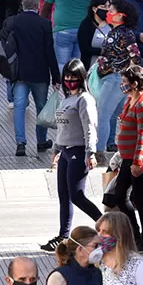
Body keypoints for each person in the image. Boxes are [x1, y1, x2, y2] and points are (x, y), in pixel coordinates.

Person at [43, 59, 101, 250]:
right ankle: (63, 236)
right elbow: (61, 129)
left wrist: (90, 153)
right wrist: (56, 150)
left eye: (74, 76)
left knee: (77, 196)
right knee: (63, 196)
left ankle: (104, 225)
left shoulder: (84, 99)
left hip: (78, 151)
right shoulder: (66, 99)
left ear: (82, 77)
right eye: (67, 76)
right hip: (65, 151)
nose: (70, 80)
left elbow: (90, 128)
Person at [2, 0, 62, 158]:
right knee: (41, 108)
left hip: (19, 73)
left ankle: (20, 143)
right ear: (37, 5)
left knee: (19, 107)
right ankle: (41, 141)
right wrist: (56, 76)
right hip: (40, 73)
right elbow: (49, 52)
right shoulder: (44, 24)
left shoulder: (13, 22)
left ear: (23, 4)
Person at [103, 64, 143, 247]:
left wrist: (138, 162)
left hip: (138, 159)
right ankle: (136, 234)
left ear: (134, 84)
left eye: (125, 82)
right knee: (120, 197)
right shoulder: (130, 100)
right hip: (128, 157)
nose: (122, 85)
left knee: (140, 199)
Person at [92, 0, 143, 157]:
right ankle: (119, 148)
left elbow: (135, 55)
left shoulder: (123, 34)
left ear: (121, 16)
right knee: (114, 115)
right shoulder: (118, 32)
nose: (108, 13)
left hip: (114, 78)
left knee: (102, 115)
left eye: (112, 11)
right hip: (116, 78)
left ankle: (99, 152)